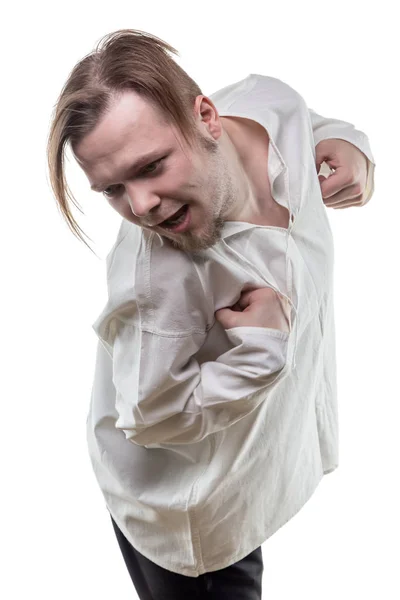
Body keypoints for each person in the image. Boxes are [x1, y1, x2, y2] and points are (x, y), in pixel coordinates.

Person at [46, 28, 375, 599]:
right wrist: (261, 355)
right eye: (113, 189)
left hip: (246, 469)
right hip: (192, 516)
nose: (141, 206)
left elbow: (303, 124)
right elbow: (150, 416)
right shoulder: (158, 277)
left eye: (151, 166)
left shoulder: (267, 107)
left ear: (208, 116)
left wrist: (350, 145)